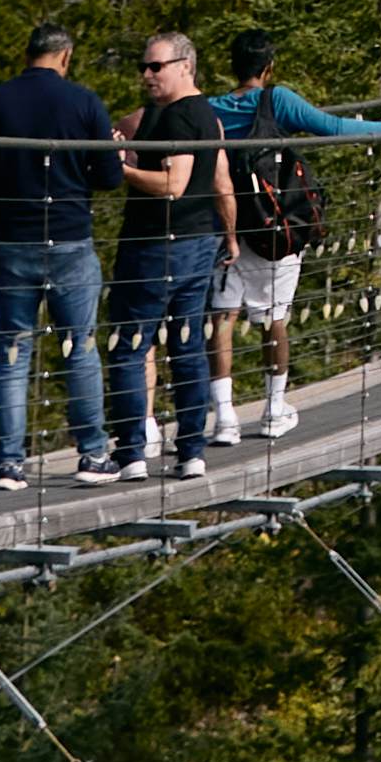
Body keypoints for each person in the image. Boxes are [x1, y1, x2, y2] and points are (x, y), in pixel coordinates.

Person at [210, 34, 381, 422]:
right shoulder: (276, 99)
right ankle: (274, 407)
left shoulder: (211, 108)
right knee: (274, 317)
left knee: (222, 318)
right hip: (273, 225)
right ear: (268, 68)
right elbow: (331, 126)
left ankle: (224, 416)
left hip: (226, 222)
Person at [0, 20, 109, 483]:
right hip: (68, 238)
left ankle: (8, 463)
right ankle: (92, 456)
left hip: (10, 240)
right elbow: (108, 177)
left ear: (28, 55)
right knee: (79, 347)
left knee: (12, 350)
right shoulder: (84, 102)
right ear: (65, 57)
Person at [102, 25, 231, 471]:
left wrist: (124, 171)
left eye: (156, 66)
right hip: (196, 241)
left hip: (157, 246)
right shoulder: (197, 113)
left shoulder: (179, 116)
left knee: (129, 346)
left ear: (184, 66)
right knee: (186, 344)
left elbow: (173, 184)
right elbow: (211, 179)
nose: (146, 74)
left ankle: (131, 453)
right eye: (143, 66)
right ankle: (191, 451)